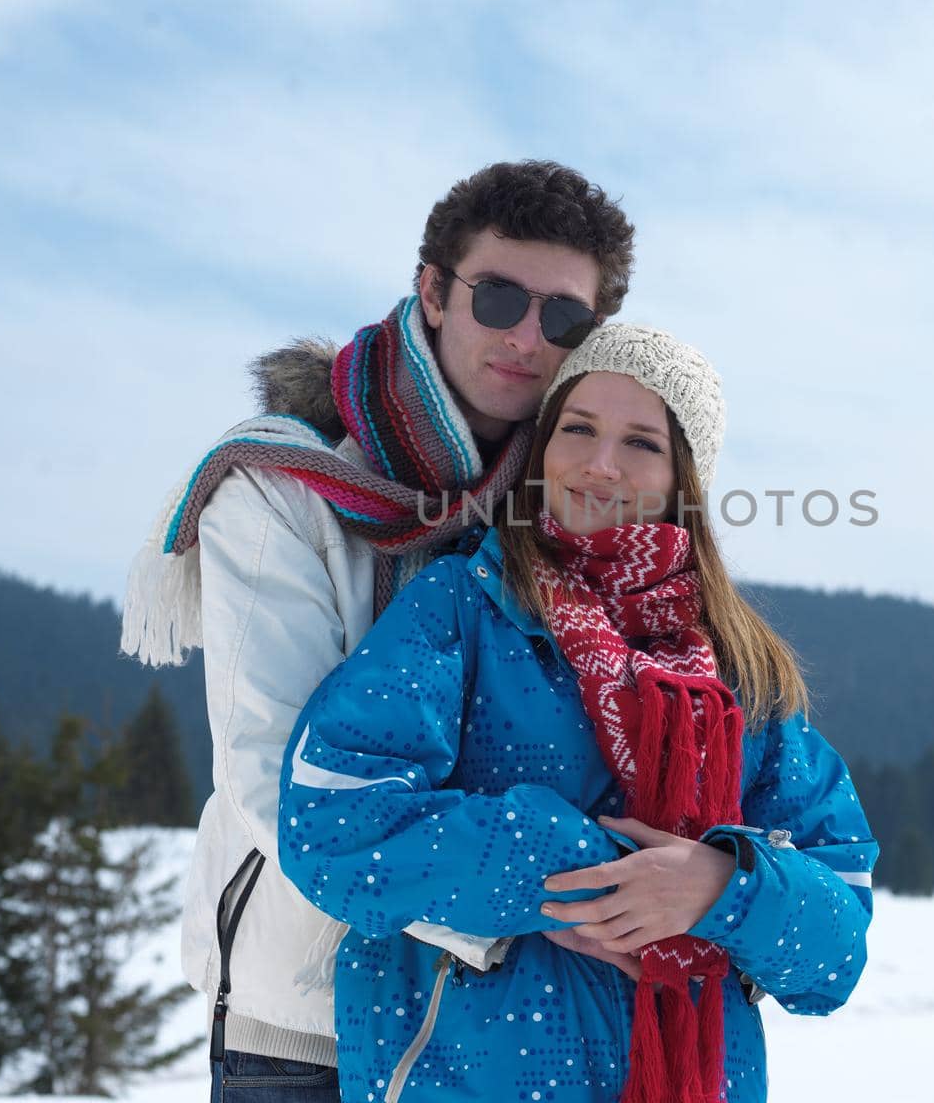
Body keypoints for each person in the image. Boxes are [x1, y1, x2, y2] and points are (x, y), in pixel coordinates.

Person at [118, 161, 637, 1099]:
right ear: (434, 291)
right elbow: (278, 774)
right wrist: (541, 906)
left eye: (562, 318)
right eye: (500, 296)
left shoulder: (570, 509)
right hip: (311, 1019)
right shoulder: (284, 487)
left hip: (509, 1029)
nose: (527, 336)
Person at [279, 325, 877, 1103]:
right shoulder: (464, 610)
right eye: (579, 428)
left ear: (682, 480)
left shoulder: (738, 671)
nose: (600, 465)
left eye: (641, 443)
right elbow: (330, 822)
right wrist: (575, 873)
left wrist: (717, 886)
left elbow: (836, 948)